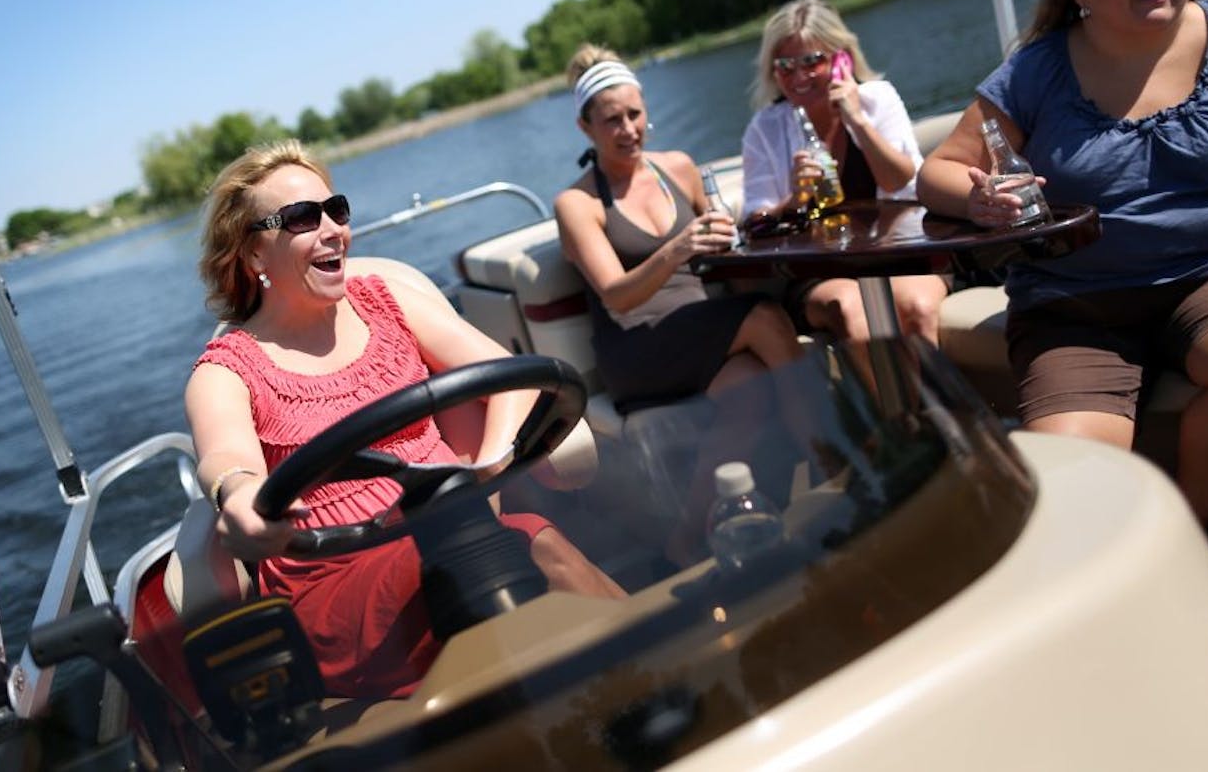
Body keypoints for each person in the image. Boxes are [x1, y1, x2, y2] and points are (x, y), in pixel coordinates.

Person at [185, 140, 623, 701]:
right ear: (252, 254)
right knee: (534, 548)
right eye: (300, 218)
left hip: (453, 528)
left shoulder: (388, 302)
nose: (332, 229)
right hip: (339, 577)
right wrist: (239, 496)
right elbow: (226, 462)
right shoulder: (227, 371)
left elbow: (506, 373)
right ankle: (669, 686)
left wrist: (487, 467)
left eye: (336, 210)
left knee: (507, 550)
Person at [916, 0, 1208, 523]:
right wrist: (980, 200)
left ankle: (1186, 538)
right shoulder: (1038, 71)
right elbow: (938, 172)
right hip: (1077, 304)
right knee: (1075, 486)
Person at [553, 44, 804, 416]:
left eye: (634, 114)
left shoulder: (678, 168)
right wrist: (676, 250)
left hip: (700, 328)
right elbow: (616, 296)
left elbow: (728, 247)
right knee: (764, 316)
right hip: (635, 347)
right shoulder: (577, 203)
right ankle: (837, 453)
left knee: (750, 387)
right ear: (585, 127)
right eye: (612, 120)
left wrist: (786, 208)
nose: (628, 130)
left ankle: (814, 460)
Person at [740, 0, 949, 344]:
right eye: (785, 66)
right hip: (821, 270)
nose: (799, 76)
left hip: (902, 249)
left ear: (841, 60)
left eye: (811, 61)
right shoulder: (765, 128)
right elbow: (753, 222)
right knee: (848, 309)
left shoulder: (877, 99)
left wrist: (857, 120)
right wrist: (792, 201)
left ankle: (933, 401)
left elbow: (900, 179)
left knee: (916, 306)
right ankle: (900, 401)